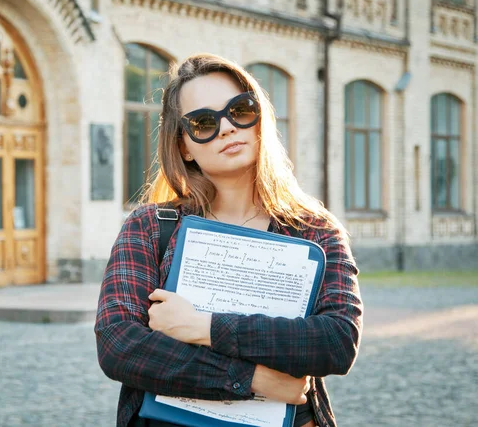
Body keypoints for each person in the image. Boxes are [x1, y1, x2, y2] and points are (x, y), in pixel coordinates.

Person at [95, 53, 363, 427]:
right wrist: (254, 381)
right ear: (184, 145)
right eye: (203, 122)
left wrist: (203, 327)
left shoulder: (315, 229)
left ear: (259, 120)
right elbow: (119, 344)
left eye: (239, 110)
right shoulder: (150, 227)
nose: (226, 128)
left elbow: (336, 341)